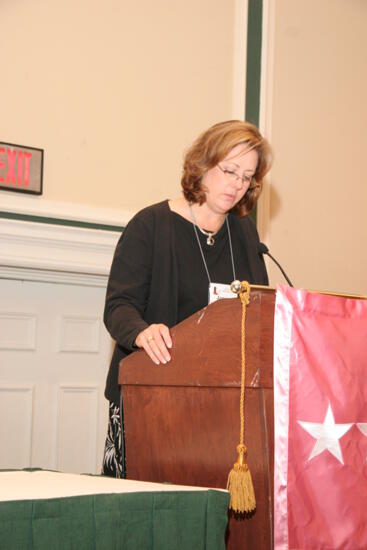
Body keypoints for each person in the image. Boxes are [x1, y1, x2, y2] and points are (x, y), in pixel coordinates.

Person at [102, 119, 272, 477]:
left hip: (224, 407)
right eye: (229, 170)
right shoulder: (150, 226)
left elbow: (261, 312)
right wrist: (141, 332)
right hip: (152, 397)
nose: (237, 184)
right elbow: (119, 307)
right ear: (203, 163)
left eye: (247, 176)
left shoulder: (244, 234)